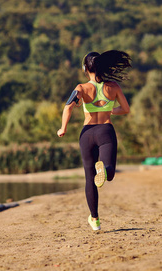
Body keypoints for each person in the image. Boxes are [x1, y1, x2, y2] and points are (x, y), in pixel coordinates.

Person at [57, 50, 131, 231]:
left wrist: (63, 128)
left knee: (89, 178)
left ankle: (95, 219)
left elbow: (68, 107)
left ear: (85, 68)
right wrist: (111, 110)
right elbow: (126, 109)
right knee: (110, 171)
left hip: (87, 134)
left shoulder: (81, 88)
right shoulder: (113, 87)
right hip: (105, 130)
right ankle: (105, 170)